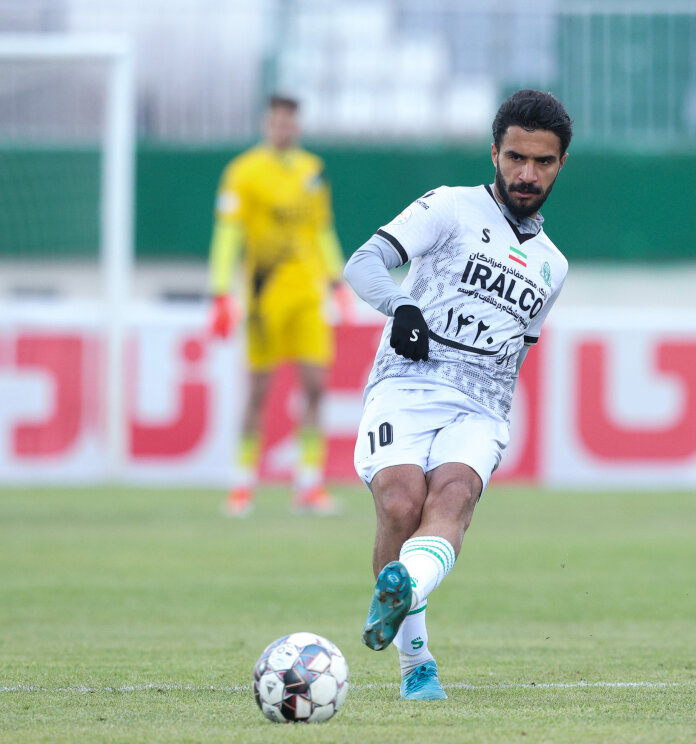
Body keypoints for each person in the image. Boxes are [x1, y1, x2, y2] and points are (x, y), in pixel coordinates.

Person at [342, 89, 572, 700]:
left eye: (542, 162)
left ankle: (409, 618)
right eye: (516, 157)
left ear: (560, 165)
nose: (527, 174)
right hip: (406, 383)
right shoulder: (449, 207)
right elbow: (363, 262)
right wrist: (401, 304)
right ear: (494, 153)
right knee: (399, 504)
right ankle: (414, 654)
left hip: (480, 407)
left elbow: (520, 348)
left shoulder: (553, 266)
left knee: (453, 496)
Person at [207, 94, 355, 517]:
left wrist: (337, 281)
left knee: (316, 386)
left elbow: (322, 228)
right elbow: (228, 233)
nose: (282, 128)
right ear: (265, 124)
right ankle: (242, 484)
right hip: (263, 298)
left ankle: (308, 484)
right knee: (258, 390)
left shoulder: (313, 170)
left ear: (297, 126)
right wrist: (220, 291)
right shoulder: (243, 172)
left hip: (307, 294)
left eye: (288, 122)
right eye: (275, 122)